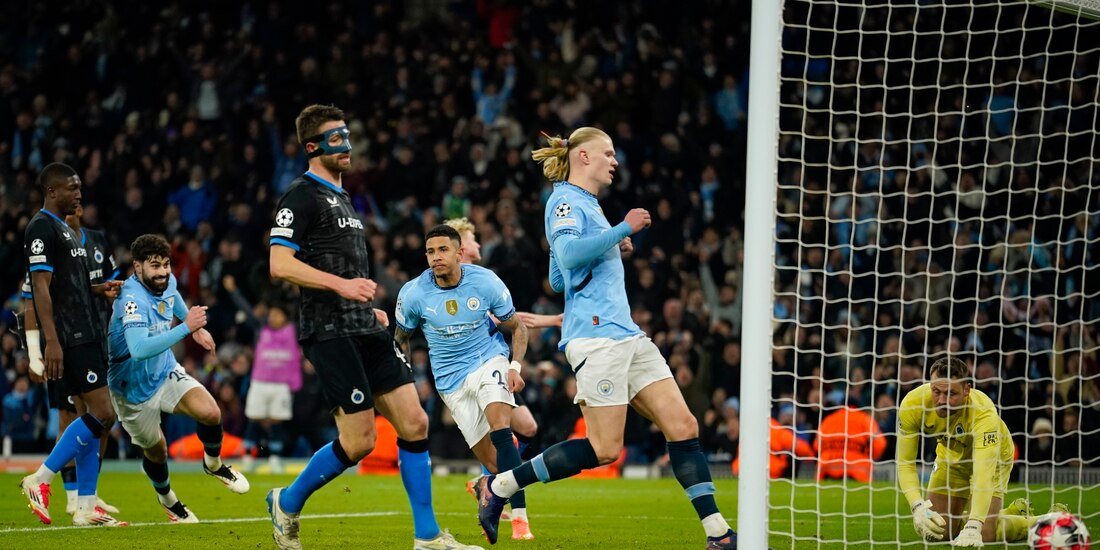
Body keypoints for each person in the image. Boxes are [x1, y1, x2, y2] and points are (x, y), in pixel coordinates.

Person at [475, 128, 739, 549]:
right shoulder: (565, 201)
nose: (615, 161)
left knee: (683, 425)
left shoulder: (586, 206)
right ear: (583, 156)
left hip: (626, 334)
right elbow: (568, 258)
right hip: (598, 340)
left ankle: (718, 535)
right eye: (608, 153)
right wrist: (620, 231)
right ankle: (500, 486)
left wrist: (610, 245)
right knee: (604, 449)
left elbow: (559, 279)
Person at [265, 104, 482, 550]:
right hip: (329, 331)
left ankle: (427, 537)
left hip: (364, 325)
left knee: (415, 422)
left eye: (346, 135)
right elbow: (279, 263)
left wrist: (370, 307)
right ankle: (286, 501)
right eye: (335, 138)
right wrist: (342, 287)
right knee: (361, 441)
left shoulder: (345, 198)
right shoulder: (300, 197)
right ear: (312, 147)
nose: (346, 144)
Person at [395, 224, 535, 541]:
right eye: (430, 251)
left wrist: (514, 366)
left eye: (443, 250)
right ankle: (487, 487)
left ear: (459, 253)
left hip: (489, 360)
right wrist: (407, 383)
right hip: (450, 382)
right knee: (494, 464)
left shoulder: (485, 282)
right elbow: (401, 339)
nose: (435, 258)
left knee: (504, 425)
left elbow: (518, 328)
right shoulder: (414, 293)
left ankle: (521, 522)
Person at [106, 234, 250, 523]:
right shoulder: (131, 300)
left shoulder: (167, 282)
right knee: (157, 451)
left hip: (164, 370)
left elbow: (175, 300)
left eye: (166, 264)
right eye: (154, 266)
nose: (162, 272)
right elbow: (138, 349)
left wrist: (196, 330)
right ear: (137, 267)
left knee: (210, 412)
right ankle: (168, 500)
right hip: (131, 388)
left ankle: (214, 464)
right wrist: (187, 328)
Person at [19, 163, 124, 526]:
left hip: (88, 332)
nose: (78, 194)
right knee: (103, 414)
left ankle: (85, 505)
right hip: (70, 337)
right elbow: (40, 290)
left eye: (80, 187)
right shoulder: (41, 228)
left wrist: (98, 289)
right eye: (71, 188)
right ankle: (41, 478)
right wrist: (50, 342)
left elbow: (68, 284)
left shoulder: (66, 230)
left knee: (91, 418)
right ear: (51, 191)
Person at [897, 357, 1065, 545]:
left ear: (966, 390)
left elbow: (982, 474)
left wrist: (974, 525)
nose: (942, 400)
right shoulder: (913, 405)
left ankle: (1050, 521)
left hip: (994, 458)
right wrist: (917, 506)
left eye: (951, 393)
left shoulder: (983, 413)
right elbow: (904, 463)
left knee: (985, 535)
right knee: (936, 532)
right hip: (951, 457)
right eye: (936, 391)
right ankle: (1011, 513)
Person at [814, 402, 887, 482]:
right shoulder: (864, 419)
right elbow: (880, 444)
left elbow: (816, 445)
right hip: (858, 472)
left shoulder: (828, 420)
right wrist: (869, 456)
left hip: (827, 470)